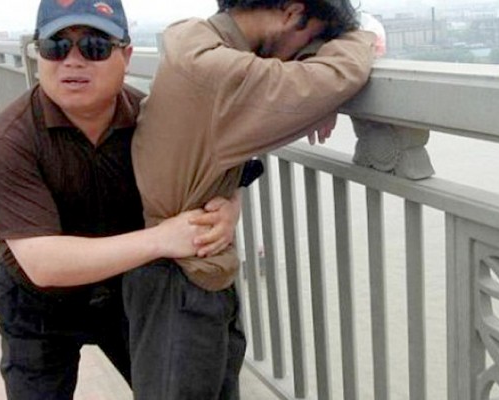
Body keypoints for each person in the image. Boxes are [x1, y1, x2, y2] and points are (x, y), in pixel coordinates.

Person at [0, 0, 245, 398]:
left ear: (127, 55)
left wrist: (229, 207)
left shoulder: (153, 118)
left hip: (127, 293)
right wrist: (162, 239)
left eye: (94, 47)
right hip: (38, 306)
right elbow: (42, 263)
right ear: (37, 55)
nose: (72, 60)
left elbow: (216, 168)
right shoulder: (11, 140)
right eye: (55, 46)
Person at [124, 0, 377, 399]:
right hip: (182, 284)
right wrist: (361, 41)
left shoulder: (200, 42)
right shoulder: (217, 73)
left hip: (181, 271)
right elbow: (338, 74)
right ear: (293, 13)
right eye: (311, 38)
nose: (302, 53)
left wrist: (311, 76)